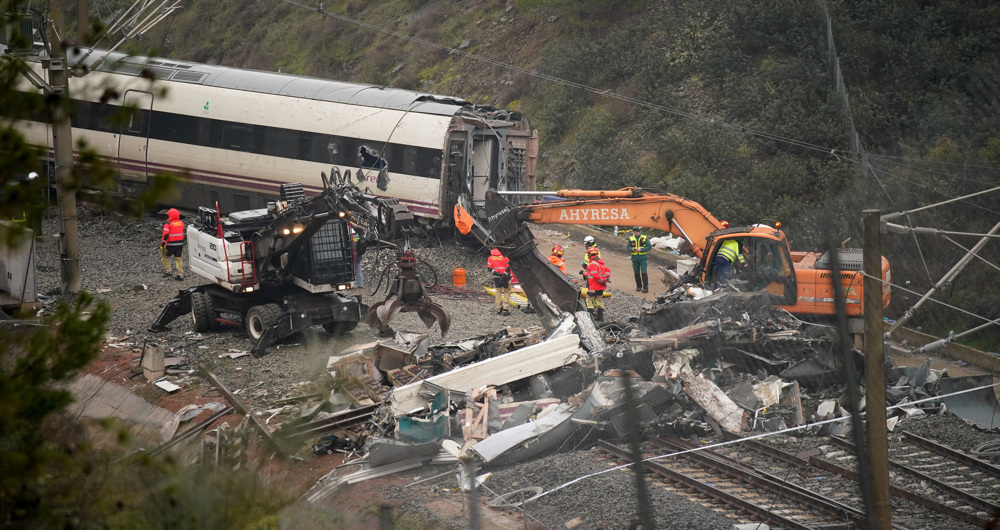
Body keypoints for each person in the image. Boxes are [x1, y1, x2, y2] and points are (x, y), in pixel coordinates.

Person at [585, 246, 610, 321]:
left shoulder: (592, 263)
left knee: (589, 299)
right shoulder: (601, 262)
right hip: (601, 286)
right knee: (599, 300)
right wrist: (606, 279)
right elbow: (607, 270)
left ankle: (590, 316)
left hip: (594, 286)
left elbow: (594, 275)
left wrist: (601, 281)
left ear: (590, 254)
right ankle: (600, 317)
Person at [160, 208, 185, 280]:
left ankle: (169, 271)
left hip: (170, 245)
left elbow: (165, 235)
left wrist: (162, 244)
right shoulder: (181, 223)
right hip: (180, 244)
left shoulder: (168, 224)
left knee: (164, 257)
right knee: (179, 259)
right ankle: (180, 275)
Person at [487, 248, 512, 316]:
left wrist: (496, 273)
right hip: (506, 277)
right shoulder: (505, 257)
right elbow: (509, 267)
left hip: (497, 278)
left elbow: (489, 268)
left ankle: (498, 309)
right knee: (507, 292)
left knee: (498, 292)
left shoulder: (490, 258)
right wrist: (505, 275)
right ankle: (505, 309)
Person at [627, 226, 651, 293]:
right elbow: (628, 247)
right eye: (634, 232)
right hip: (635, 258)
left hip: (643, 258)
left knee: (644, 272)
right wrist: (632, 249)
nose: (636, 233)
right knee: (636, 273)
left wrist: (641, 250)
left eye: (637, 232)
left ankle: (645, 288)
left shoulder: (644, 238)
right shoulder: (631, 238)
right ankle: (638, 286)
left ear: (639, 232)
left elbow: (649, 246)